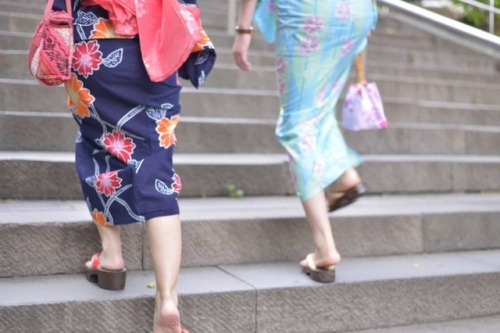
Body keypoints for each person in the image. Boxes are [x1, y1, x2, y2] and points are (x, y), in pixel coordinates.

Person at [52, 0, 215, 332]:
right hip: (159, 40)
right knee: (156, 168)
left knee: (97, 142)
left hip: (96, 42)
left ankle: (111, 255)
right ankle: (167, 300)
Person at [232, 0, 377, 283]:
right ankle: (344, 175)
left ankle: (325, 248)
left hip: (309, 11)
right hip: (357, 12)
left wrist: (243, 29)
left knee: (297, 124)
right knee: (318, 108)